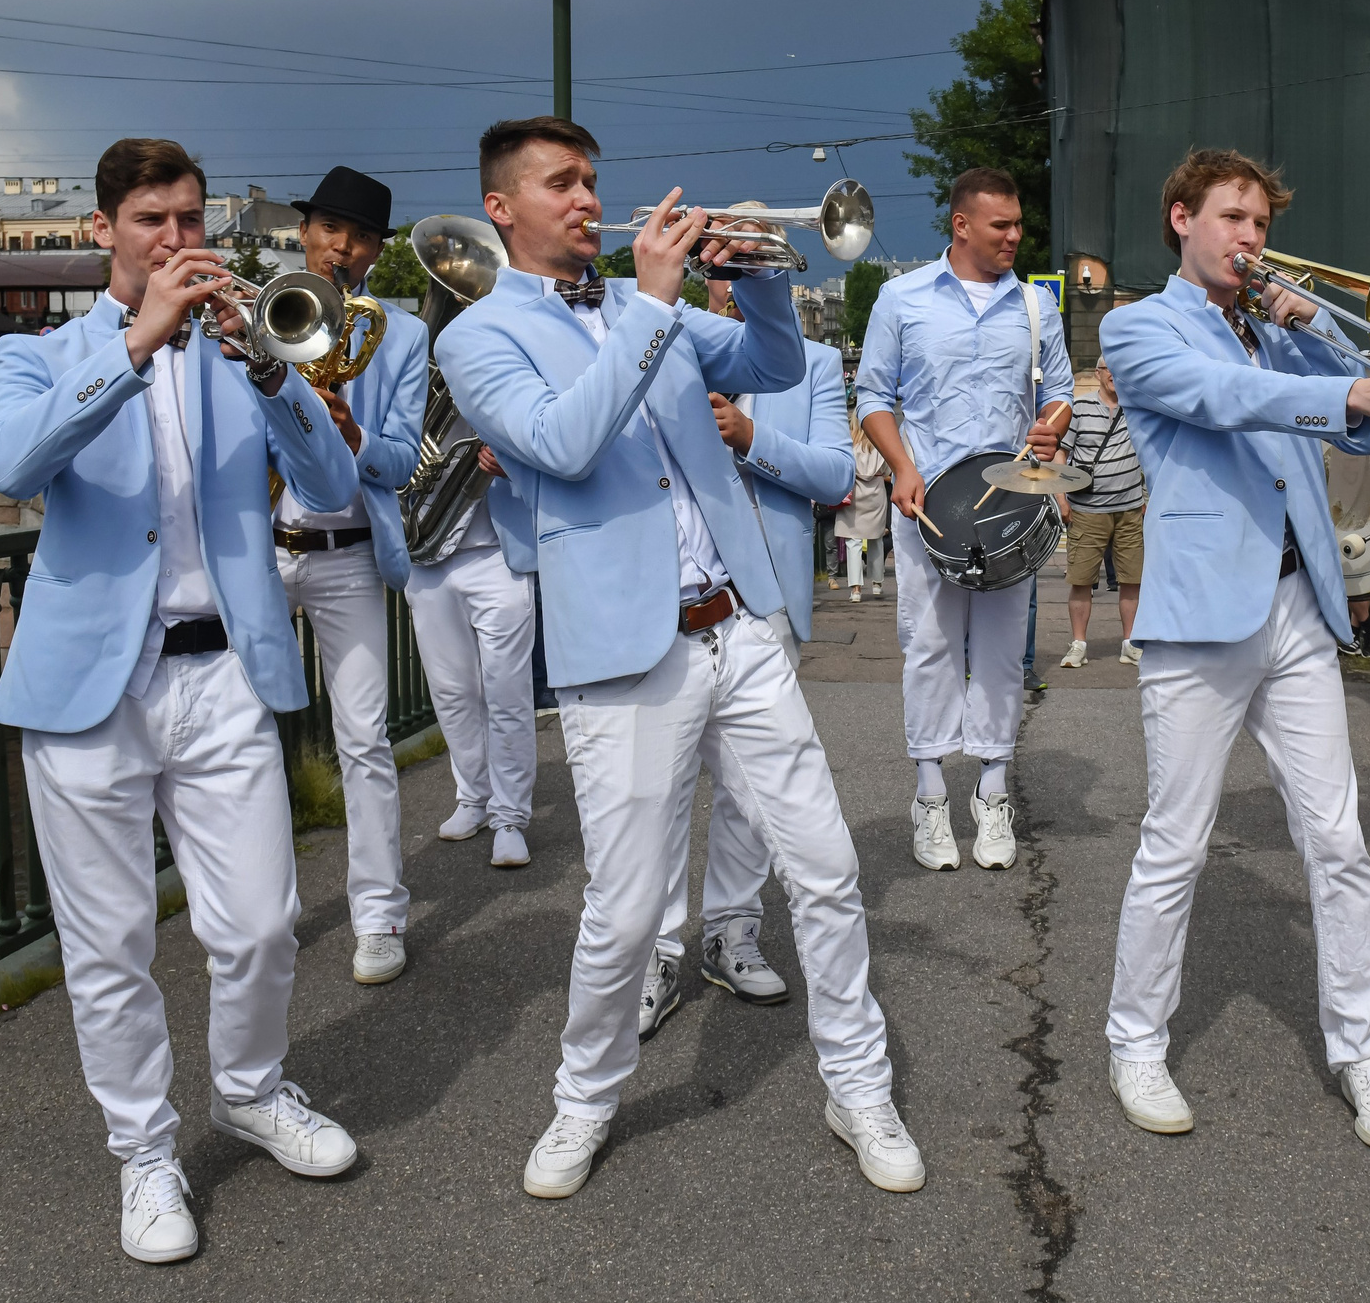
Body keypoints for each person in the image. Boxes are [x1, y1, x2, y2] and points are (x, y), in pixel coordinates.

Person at [438, 116, 923, 1200]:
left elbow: (771, 358)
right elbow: (560, 444)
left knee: (830, 870)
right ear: (503, 208)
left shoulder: (632, 303)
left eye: (591, 180)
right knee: (622, 905)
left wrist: (745, 272)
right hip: (623, 650)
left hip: (737, 621)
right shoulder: (475, 337)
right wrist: (654, 300)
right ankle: (582, 1100)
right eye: (561, 184)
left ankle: (859, 1082)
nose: (586, 199)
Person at [0, 137, 362, 1265]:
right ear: (103, 230)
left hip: (222, 673)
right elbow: (12, 463)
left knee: (259, 922)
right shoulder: (36, 353)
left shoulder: (251, 348)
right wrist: (138, 345)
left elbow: (336, 488)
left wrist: (275, 369)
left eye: (191, 218)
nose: (178, 241)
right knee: (110, 946)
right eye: (153, 219)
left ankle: (249, 1089)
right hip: (89, 685)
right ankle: (145, 1151)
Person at [1097, 147, 1370, 1151]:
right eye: (1232, 217)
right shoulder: (1136, 327)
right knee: (1174, 843)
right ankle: (1136, 1041)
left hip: (1302, 609)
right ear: (1181, 217)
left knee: (1338, 841)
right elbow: (1215, 398)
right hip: (1201, 615)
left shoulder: (1276, 331)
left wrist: (1326, 336)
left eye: (1259, 222)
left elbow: (1356, 437)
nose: (1250, 238)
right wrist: (1340, 395)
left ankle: (1363, 1052)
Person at [643, 261, 858, 1037]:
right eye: (724, 268)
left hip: (764, 599)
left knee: (747, 791)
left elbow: (836, 475)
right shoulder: (662, 339)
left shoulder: (820, 362)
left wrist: (752, 437)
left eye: (751, 267)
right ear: (703, 277)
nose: (735, 282)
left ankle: (730, 931)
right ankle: (655, 950)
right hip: (667, 604)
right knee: (658, 792)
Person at [855, 167, 1073, 873]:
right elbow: (872, 395)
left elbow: (1062, 393)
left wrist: (1051, 430)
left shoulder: (1038, 307)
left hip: (1011, 503)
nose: (1015, 236)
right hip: (929, 507)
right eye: (1000, 226)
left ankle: (993, 790)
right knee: (930, 647)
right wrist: (901, 466)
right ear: (961, 226)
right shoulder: (901, 299)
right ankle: (929, 796)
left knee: (1005, 652)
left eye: (1018, 225)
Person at [268, 166, 430, 986]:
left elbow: (405, 458)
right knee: (249, 738)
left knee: (364, 742)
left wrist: (354, 432)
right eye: (329, 228)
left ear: (375, 250)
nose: (341, 246)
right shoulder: (260, 314)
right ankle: (265, 911)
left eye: (359, 235)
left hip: (352, 552)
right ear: (305, 234)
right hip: (265, 548)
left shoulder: (399, 336)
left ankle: (379, 916)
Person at [417, 443, 542, 868]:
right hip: (425, 551)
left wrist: (516, 463)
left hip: (497, 554)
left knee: (507, 691)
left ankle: (509, 817)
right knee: (451, 692)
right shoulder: (406, 376)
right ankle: (473, 795)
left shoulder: (503, 373)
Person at [1059, 362, 1146, 669]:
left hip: (1130, 508)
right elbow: (1061, 452)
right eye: (1106, 368)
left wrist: (1146, 496)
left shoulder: (1139, 408)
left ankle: (1130, 643)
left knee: (1132, 581)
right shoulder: (1080, 408)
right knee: (1081, 581)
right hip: (1087, 509)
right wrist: (1061, 498)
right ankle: (1078, 644)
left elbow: (1151, 454)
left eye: (1117, 368)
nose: (1113, 373)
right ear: (1097, 373)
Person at [835, 402, 892, 600]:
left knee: (853, 541)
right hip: (876, 491)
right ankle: (877, 583)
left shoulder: (848, 443)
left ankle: (856, 589)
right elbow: (887, 471)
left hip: (854, 493)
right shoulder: (879, 444)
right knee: (876, 538)